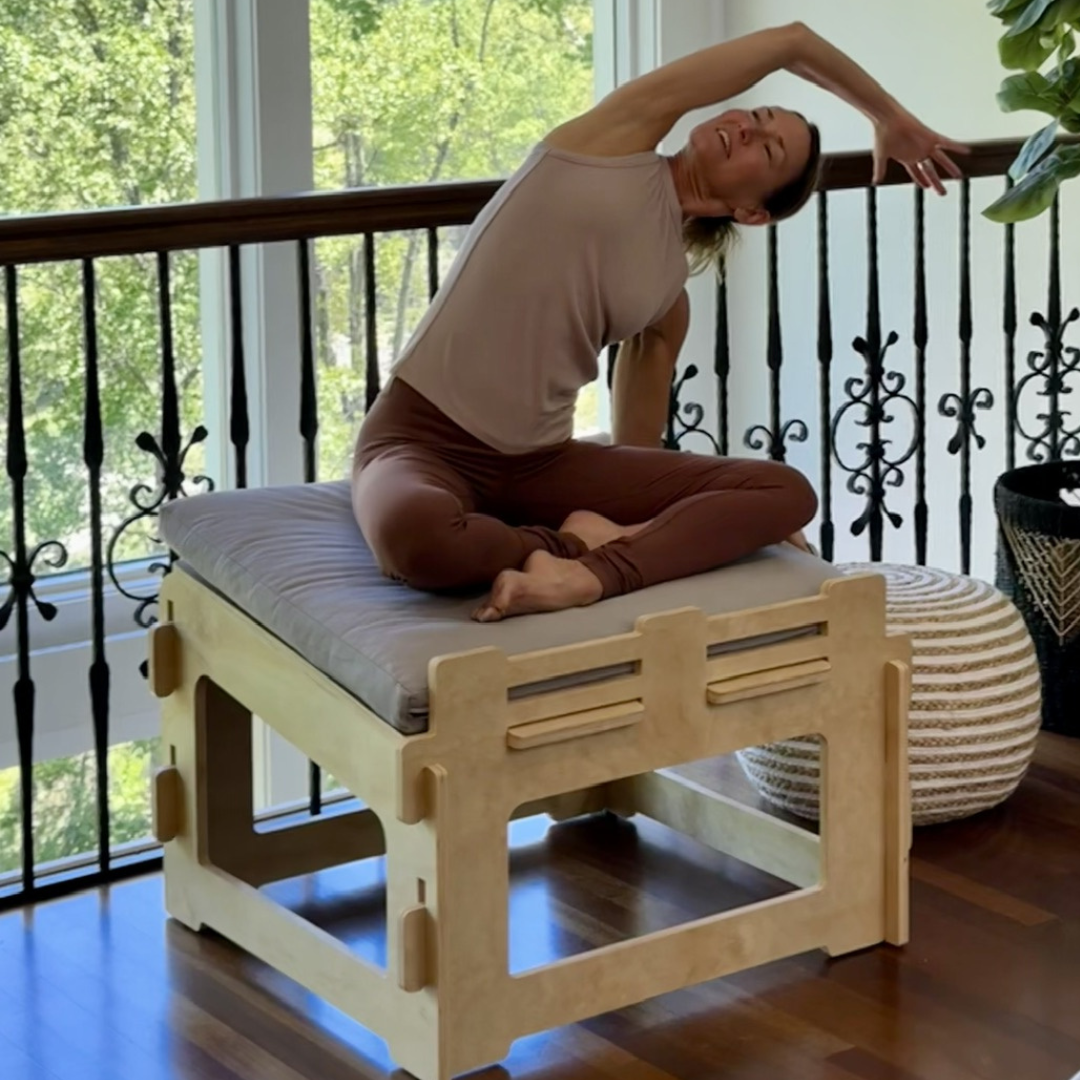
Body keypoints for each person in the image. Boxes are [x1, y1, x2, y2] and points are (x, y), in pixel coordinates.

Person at [352, 22, 968, 622]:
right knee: (419, 539)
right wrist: (885, 116)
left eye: (767, 146)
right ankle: (579, 547)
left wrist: (716, 514)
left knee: (787, 494)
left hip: (537, 465)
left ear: (750, 213)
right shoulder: (609, 144)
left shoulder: (666, 296)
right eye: (752, 118)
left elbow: (634, 448)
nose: (743, 130)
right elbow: (793, 41)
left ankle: (590, 574)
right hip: (419, 438)